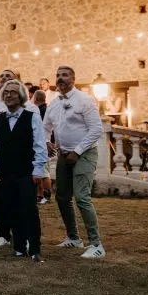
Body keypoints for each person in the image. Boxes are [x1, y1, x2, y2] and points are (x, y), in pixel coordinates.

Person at [44, 66, 105, 259]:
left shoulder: (85, 100)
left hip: (84, 154)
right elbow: (45, 127)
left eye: (65, 75)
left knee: (82, 197)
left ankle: (96, 244)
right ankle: (74, 237)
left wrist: (77, 151)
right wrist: (46, 141)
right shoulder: (54, 103)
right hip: (63, 155)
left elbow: (96, 129)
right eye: (58, 75)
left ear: (73, 78)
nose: (60, 78)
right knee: (62, 197)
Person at [0, 81, 48, 261]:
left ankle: (35, 249)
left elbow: (40, 145)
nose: (9, 95)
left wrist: (38, 170)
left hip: (26, 171)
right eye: (6, 92)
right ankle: (19, 247)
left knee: (29, 210)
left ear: (21, 96)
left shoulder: (32, 117)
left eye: (13, 92)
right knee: (11, 209)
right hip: (5, 172)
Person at [33, 89, 54, 205]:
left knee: (44, 172)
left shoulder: (41, 111)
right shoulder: (45, 109)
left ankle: (46, 195)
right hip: (43, 143)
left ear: (35, 99)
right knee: (42, 171)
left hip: (43, 144)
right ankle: (41, 195)